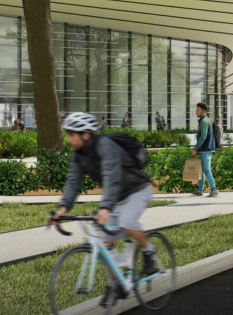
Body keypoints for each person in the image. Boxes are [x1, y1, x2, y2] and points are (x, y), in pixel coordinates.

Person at [47, 112, 160, 278]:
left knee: (127, 221)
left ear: (85, 135)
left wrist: (105, 208)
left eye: (71, 135)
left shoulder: (105, 145)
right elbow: (73, 181)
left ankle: (149, 252)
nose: (68, 140)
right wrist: (62, 209)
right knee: (103, 239)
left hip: (137, 190)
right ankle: (117, 284)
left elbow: (111, 176)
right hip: (116, 198)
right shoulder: (78, 154)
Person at [192, 102, 218, 197]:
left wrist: (195, 148)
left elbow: (203, 137)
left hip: (206, 149)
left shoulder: (204, 121)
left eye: (197, 110)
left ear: (203, 111)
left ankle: (214, 190)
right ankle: (200, 190)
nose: (196, 112)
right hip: (206, 149)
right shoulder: (207, 120)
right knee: (201, 170)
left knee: (206, 170)